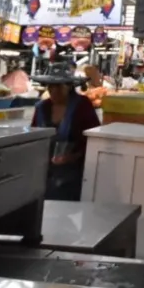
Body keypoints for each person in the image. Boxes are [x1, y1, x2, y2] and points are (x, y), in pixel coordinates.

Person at [31, 62, 100, 201]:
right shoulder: (42, 107)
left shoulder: (82, 105)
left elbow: (94, 139)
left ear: (69, 86)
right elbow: (32, 136)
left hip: (73, 173)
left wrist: (75, 156)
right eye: (50, 86)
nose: (53, 90)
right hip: (44, 171)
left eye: (58, 86)